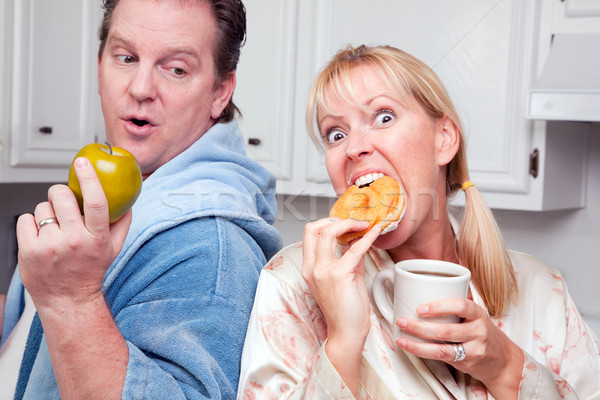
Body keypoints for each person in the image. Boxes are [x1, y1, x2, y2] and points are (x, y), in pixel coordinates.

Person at [237, 44, 600, 399]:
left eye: (383, 116)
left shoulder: (542, 290)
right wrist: (343, 343)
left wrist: (504, 367)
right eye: (336, 133)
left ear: (444, 139)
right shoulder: (292, 284)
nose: (352, 148)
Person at [0, 0, 282, 398]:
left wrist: (72, 302)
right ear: (100, 68)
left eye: (176, 69)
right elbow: (34, 329)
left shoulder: (211, 249)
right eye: (126, 57)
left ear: (219, 92)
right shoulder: (118, 191)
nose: (140, 88)